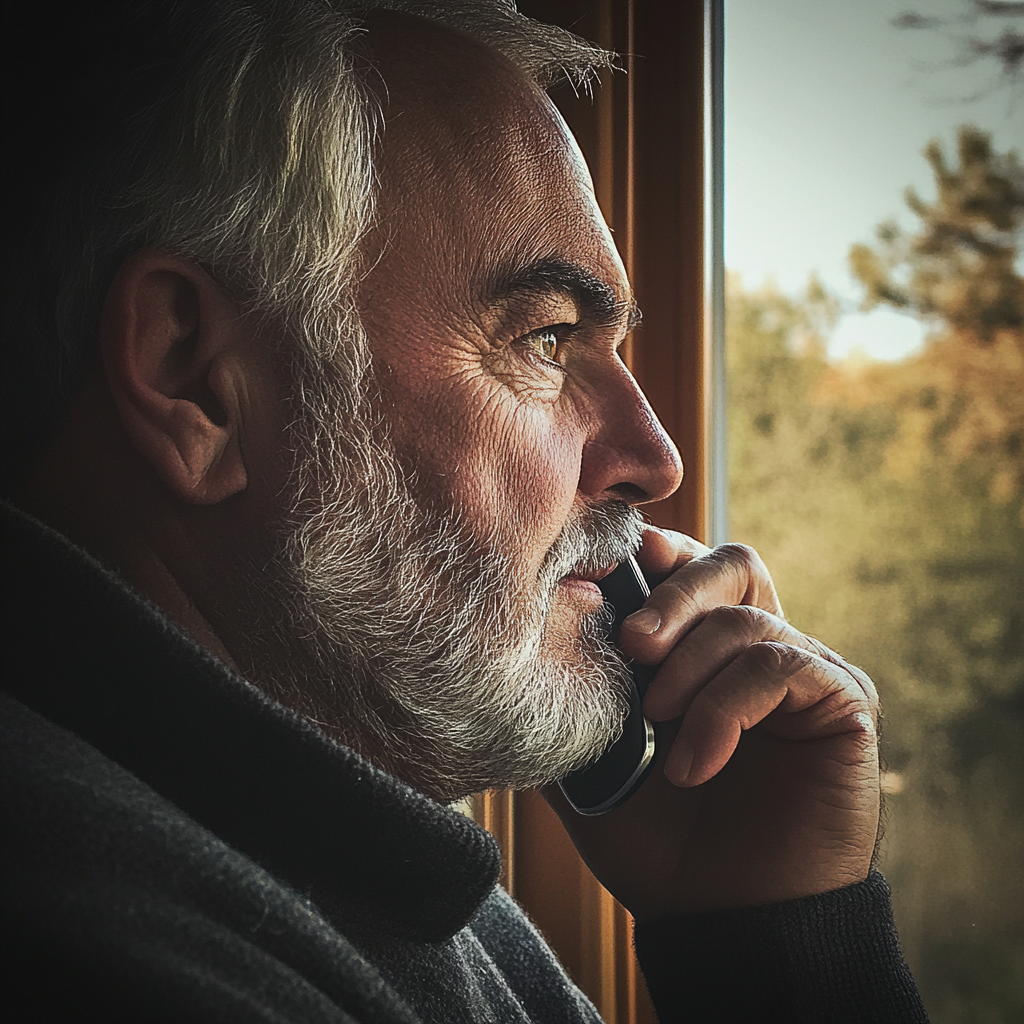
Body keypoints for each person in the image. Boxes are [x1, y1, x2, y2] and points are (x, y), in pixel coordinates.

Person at [0, 1, 929, 1021]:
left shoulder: (368, 877)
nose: (652, 459)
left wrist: (770, 937)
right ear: (197, 380)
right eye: (545, 338)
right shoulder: (107, 948)